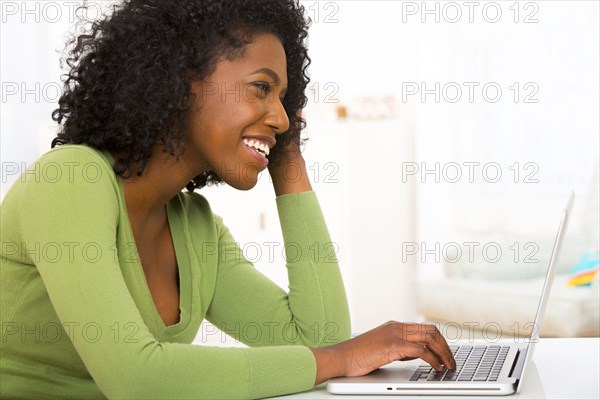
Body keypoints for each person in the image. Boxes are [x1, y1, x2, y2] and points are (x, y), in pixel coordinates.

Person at [0, 0, 455, 398]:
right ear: (177, 80)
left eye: (284, 98)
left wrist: (288, 159)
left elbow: (320, 339)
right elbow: (137, 380)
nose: (280, 117)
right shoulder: (69, 179)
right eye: (262, 87)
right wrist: (342, 356)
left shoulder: (195, 228)